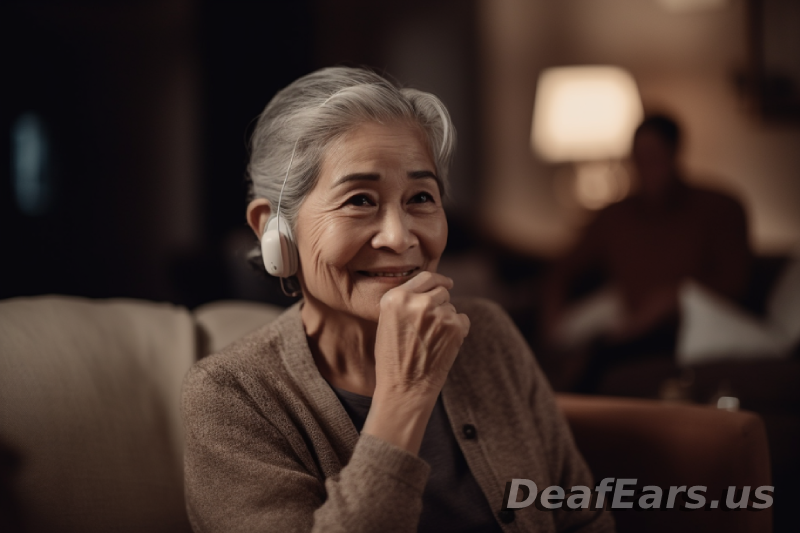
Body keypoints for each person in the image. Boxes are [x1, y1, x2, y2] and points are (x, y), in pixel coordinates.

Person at [181, 67, 614, 532]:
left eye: (421, 197)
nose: (400, 236)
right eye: (360, 200)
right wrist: (406, 396)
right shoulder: (229, 397)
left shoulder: (485, 331)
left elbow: (582, 519)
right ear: (272, 227)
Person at [542, 114, 751, 390]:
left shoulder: (717, 209)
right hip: (627, 321)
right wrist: (553, 324)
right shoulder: (617, 216)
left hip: (686, 328)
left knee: (603, 354)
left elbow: (735, 283)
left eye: (655, 155)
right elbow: (563, 269)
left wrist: (673, 299)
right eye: (639, 157)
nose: (646, 166)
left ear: (674, 153)